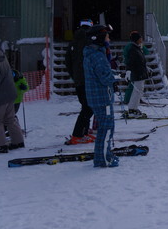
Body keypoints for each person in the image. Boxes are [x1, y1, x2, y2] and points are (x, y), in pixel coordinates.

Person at [83, 24, 119, 167]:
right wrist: (116, 78)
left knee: (106, 127)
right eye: (107, 36)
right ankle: (102, 159)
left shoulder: (94, 53)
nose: (109, 39)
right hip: (101, 97)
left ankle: (105, 154)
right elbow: (105, 77)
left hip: (98, 95)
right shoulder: (97, 56)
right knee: (106, 128)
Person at [64, 19, 95, 145]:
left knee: (85, 106)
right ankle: (77, 134)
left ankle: (84, 132)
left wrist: (75, 76)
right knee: (88, 108)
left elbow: (68, 62)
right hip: (88, 79)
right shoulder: (89, 42)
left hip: (79, 80)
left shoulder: (73, 42)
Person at [0, 49, 25, 153]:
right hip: (10, 94)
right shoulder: (1, 57)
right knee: (10, 119)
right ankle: (18, 142)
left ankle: (0, 145)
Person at [123, 31, 149, 119]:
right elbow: (130, 62)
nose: (141, 40)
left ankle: (133, 108)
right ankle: (132, 109)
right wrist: (128, 71)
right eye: (140, 38)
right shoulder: (133, 49)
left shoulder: (138, 48)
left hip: (140, 73)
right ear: (136, 40)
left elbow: (141, 59)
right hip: (137, 73)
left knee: (138, 91)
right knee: (137, 92)